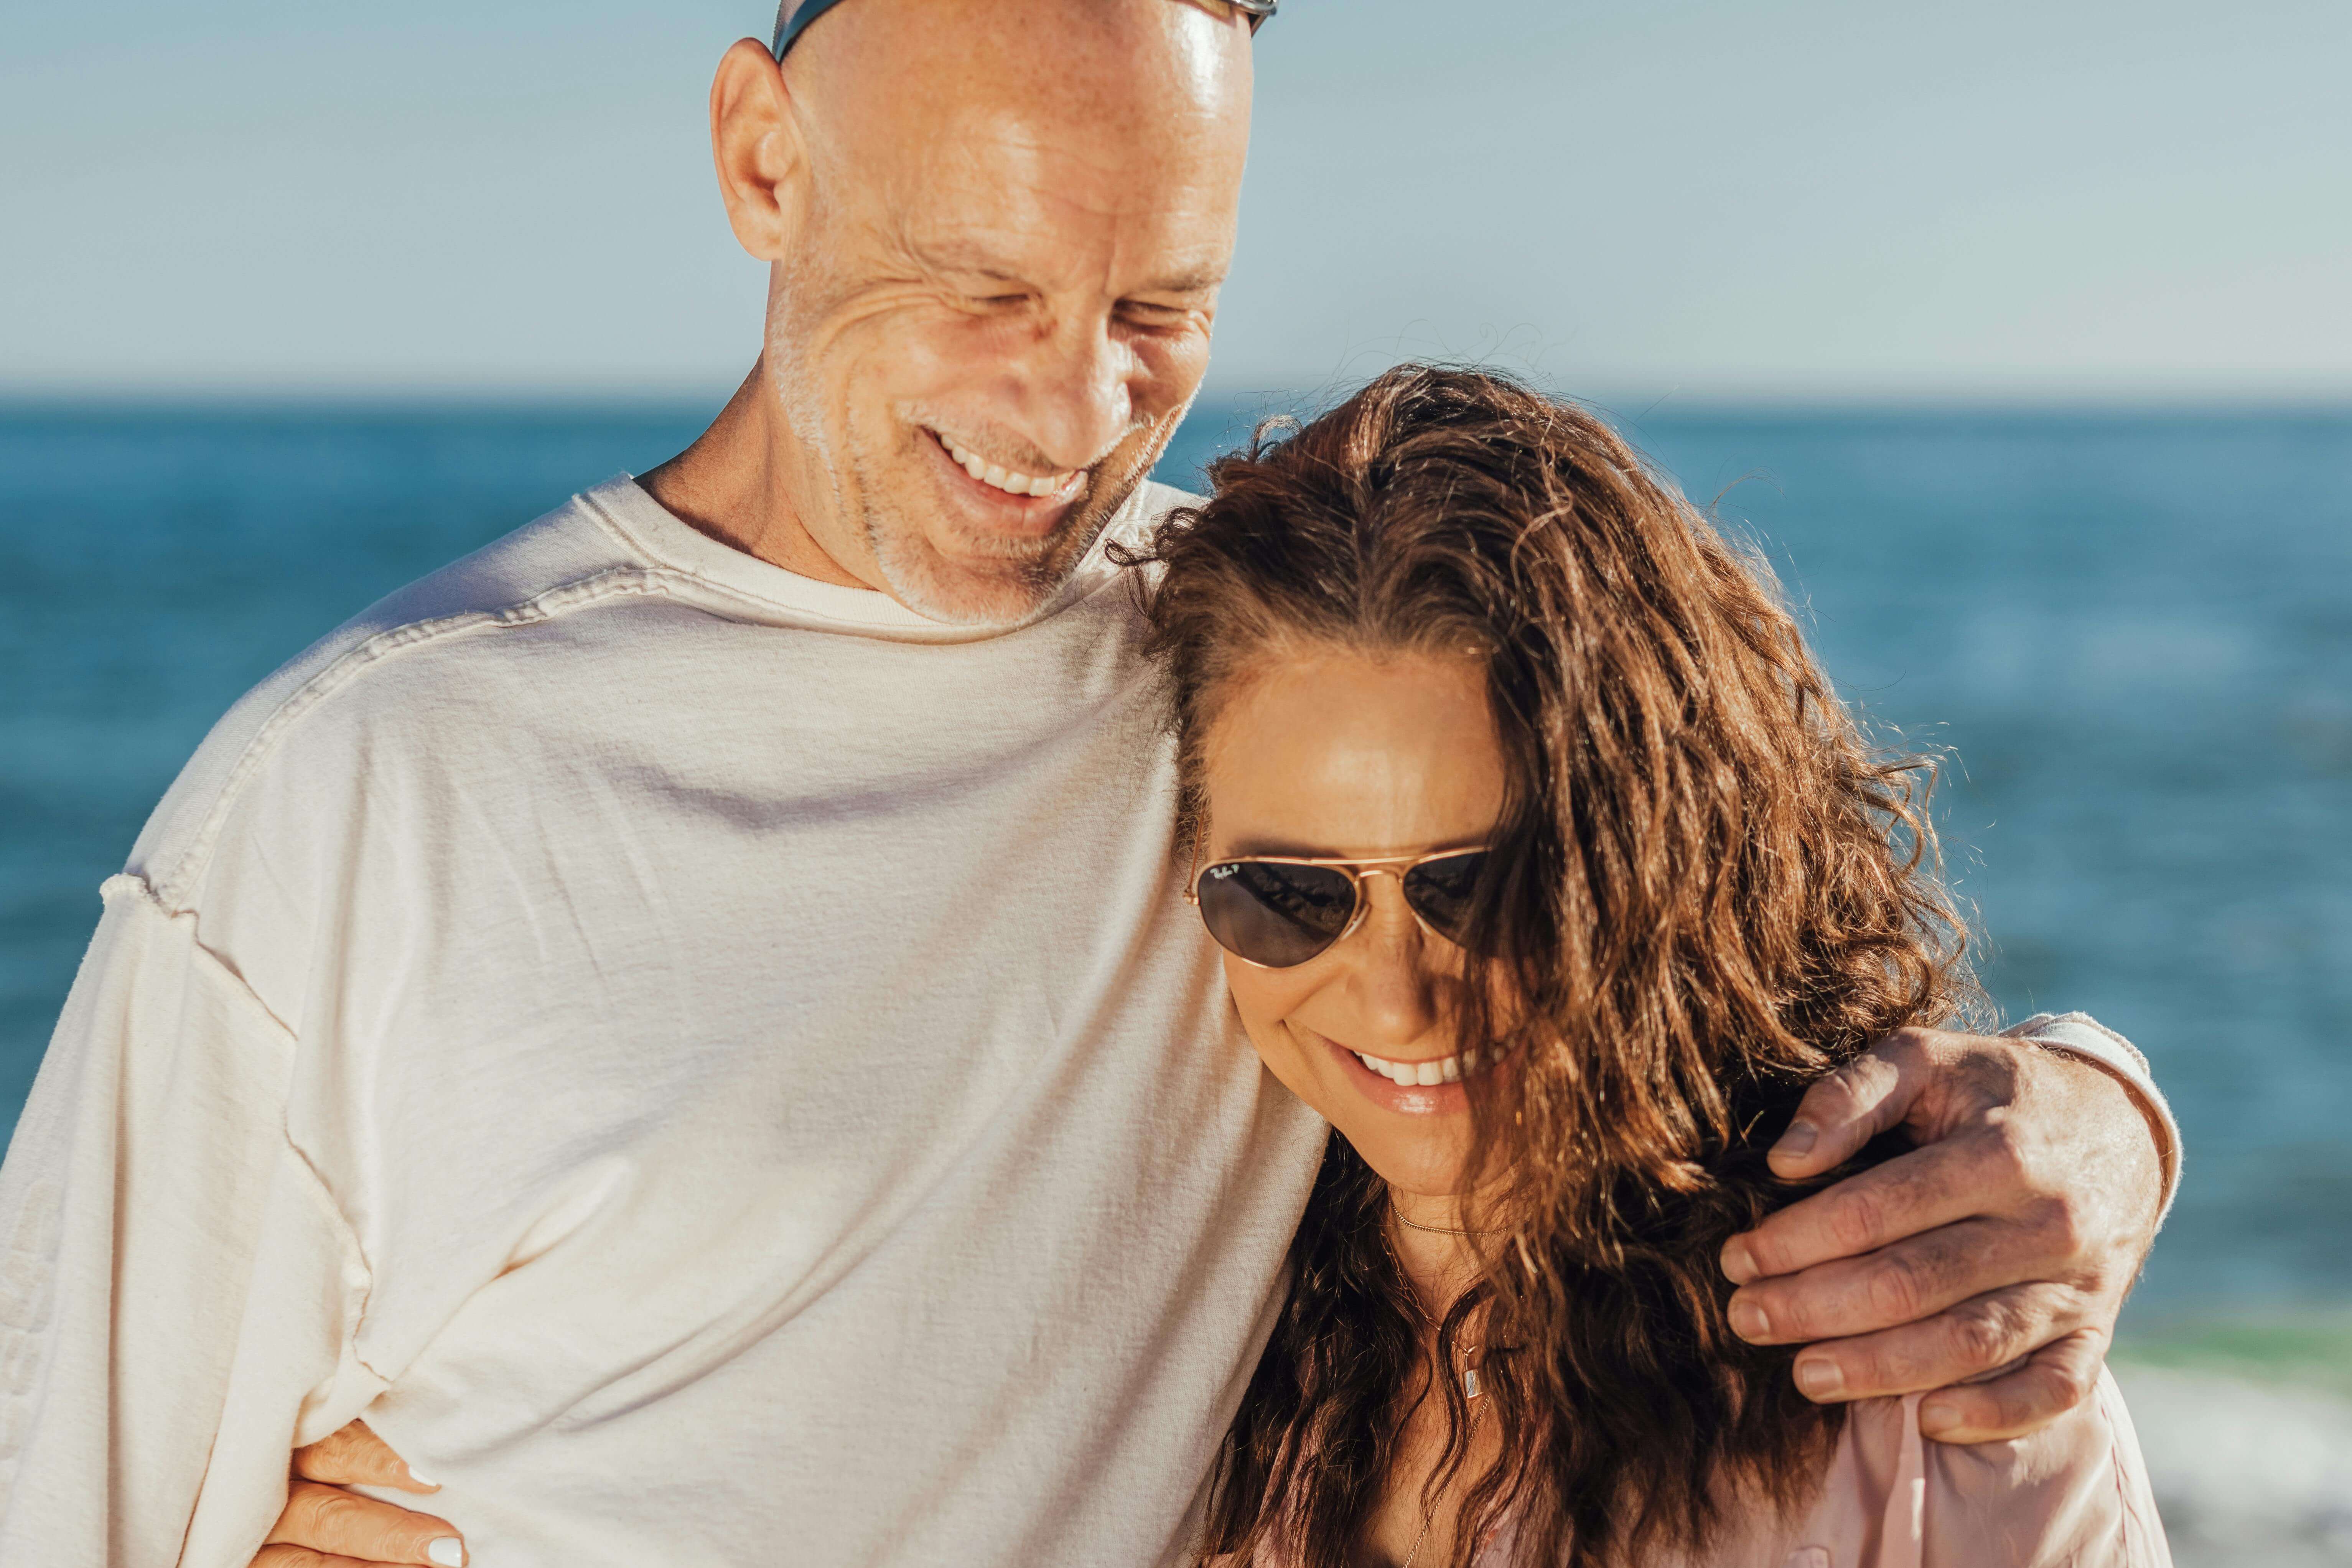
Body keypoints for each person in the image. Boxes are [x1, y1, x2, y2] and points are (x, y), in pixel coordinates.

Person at [0, 3, 2172, 1566]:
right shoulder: (365, 801)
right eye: (985, 286)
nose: (1069, 411)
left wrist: (2095, 1117)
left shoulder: (1245, 665)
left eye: (1160, 303)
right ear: (763, 161)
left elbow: (1683, 875)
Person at [1146, 365, 2169, 1566]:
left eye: (1482, 887)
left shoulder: (1932, 1384)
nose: (1395, 997)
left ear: (1670, 847)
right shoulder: (1181, 1322)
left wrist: (2112, 1112)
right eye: (1288, 895)